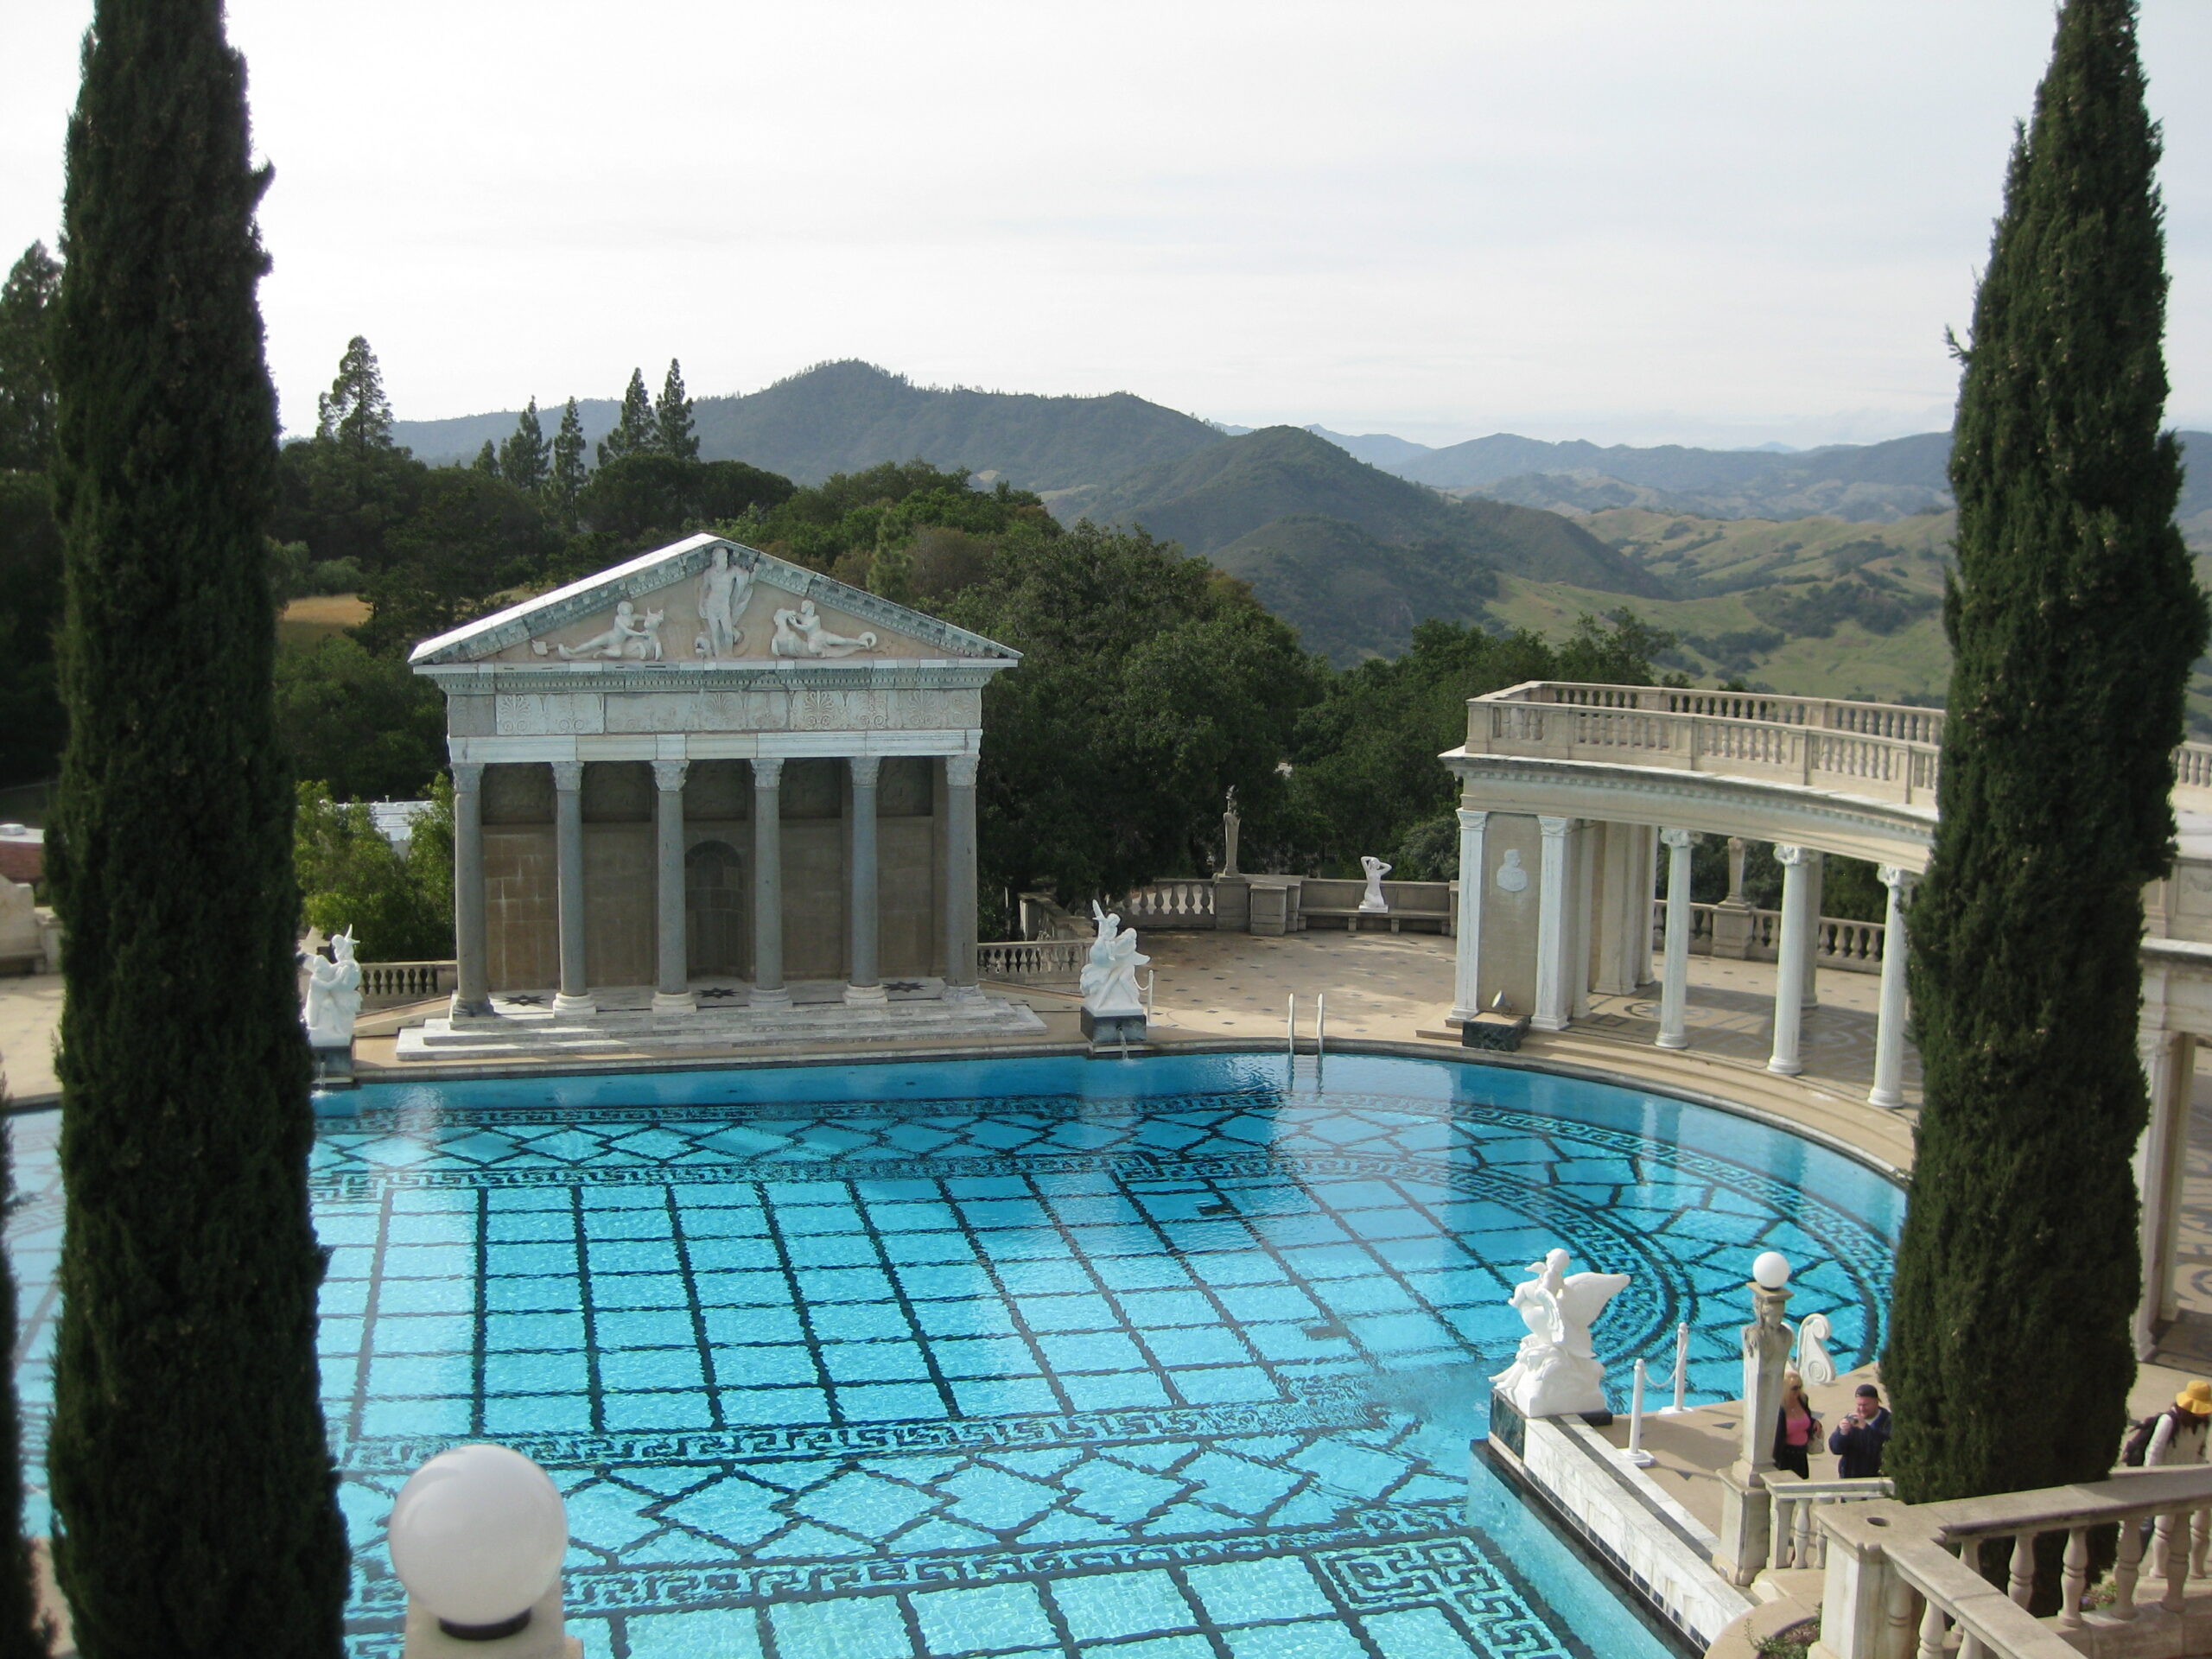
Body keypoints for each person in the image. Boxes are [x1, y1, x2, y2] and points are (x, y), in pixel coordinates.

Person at [1828, 1382, 1892, 1478]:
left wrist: (1865, 1428)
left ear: (1876, 1402)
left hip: (1878, 1476)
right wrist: (1842, 1433)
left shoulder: (1888, 1421)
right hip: (1851, 1477)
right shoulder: (1851, 1420)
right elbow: (1836, 1449)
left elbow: (1884, 1447)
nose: (1862, 1409)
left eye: (1866, 1405)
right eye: (1859, 1405)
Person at [2143, 1380, 2212, 1467]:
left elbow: (2200, 1451)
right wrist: (2152, 1476)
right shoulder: (2168, 1421)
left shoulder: (2204, 1423)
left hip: (2188, 1476)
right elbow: (2154, 1451)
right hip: (2166, 1475)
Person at [1772, 1370, 1821, 1478]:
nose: (1798, 1391)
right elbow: (1777, 1436)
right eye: (1794, 1388)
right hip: (1785, 1456)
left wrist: (1814, 1422)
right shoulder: (1779, 1408)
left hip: (1801, 1455)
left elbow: (1803, 1418)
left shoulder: (1802, 1400)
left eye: (1800, 1387)